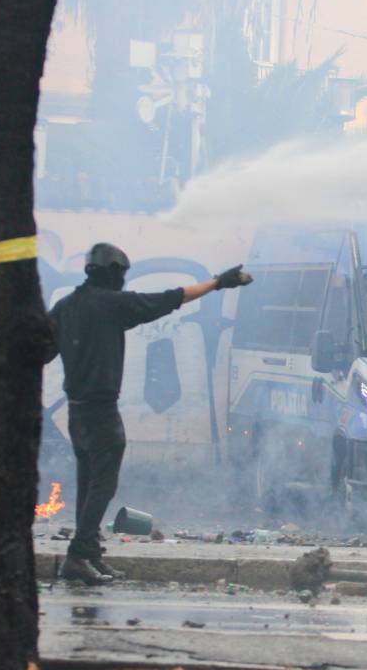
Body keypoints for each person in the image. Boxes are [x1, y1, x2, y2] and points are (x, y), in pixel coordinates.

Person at [45, 243, 251, 585]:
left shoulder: (65, 307)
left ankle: (91, 555)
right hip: (101, 411)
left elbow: (41, 352)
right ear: (113, 273)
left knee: (87, 483)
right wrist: (218, 282)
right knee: (103, 484)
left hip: (76, 413)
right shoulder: (113, 305)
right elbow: (173, 297)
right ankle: (79, 555)